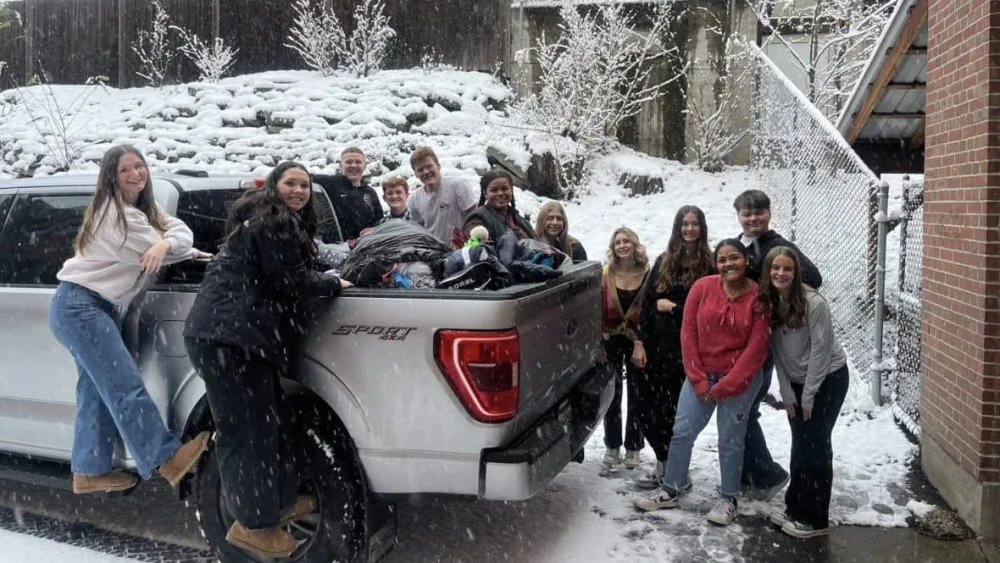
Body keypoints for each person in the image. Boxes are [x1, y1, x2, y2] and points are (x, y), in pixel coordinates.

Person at [183, 162, 352, 559]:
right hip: (229, 339)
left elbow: (286, 271)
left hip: (233, 337)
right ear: (274, 186)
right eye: (290, 183)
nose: (298, 190)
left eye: (305, 185)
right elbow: (290, 279)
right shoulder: (271, 218)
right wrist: (331, 282)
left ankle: (274, 504)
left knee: (271, 423)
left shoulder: (268, 223)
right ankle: (253, 526)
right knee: (248, 434)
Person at [48, 144, 211, 496]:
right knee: (124, 387)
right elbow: (172, 244)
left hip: (93, 307)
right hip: (80, 306)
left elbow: (178, 233)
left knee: (95, 391)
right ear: (111, 176)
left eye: (140, 166)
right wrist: (167, 246)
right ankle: (165, 458)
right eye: (125, 169)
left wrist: (166, 245)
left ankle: (89, 471)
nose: (136, 174)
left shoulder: (141, 211)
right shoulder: (116, 217)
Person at [634, 239, 770, 527]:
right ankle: (673, 487)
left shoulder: (758, 297)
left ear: (746, 260)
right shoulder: (703, 287)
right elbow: (688, 335)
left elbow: (756, 350)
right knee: (682, 432)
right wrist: (698, 380)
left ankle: (729, 497)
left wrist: (725, 386)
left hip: (740, 379)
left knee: (730, 439)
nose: (728, 264)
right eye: (722, 259)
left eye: (734, 258)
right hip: (701, 374)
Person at [733, 189, 822, 501]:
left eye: (759, 212)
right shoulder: (738, 244)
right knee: (740, 408)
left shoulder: (778, 245)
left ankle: (766, 474)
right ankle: (749, 472)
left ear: (769, 213)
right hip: (738, 340)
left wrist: (777, 303)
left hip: (763, 341)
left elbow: (812, 276)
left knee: (746, 408)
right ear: (738, 216)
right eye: (747, 213)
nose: (753, 218)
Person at [759, 247, 849, 539]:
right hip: (796, 380)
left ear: (796, 272)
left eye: (787, 269)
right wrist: (787, 391)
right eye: (775, 268)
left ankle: (815, 518)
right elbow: (778, 352)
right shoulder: (770, 301)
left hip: (827, 379)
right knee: (800, 443)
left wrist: (808, 394)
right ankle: (794, 508)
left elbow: (822, 351)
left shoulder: (814, 302)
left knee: (816, 446)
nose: (781, 274)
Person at [631, 206, 714, 489]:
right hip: (655, 345)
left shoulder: (711, 266)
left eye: (695, 224)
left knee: (675, 412)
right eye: (684, 224)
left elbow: (708, 312)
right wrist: (639, 341)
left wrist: (675, 308)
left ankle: (678, 470)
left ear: (702, 228)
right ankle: (663, 460)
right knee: (646, 407)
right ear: (677, 228)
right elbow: (647, 303)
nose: (689, 229)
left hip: (688, 349)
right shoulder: (664, 261)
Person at [600, 227, 650, 470]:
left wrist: (640, 342)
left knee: (638, 394)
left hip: (638, 342)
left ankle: (633, 447)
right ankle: (612, 445)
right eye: (618, 241)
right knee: (612, 394)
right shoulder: (606, 273)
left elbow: (649, 312)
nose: (622, 245)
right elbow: (598, 306)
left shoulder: (648, 274)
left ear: (634, 244)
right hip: (611, 340)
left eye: (626, 241)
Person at [406, 146, 479, 244]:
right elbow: (417, 231)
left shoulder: (458, 185)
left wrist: (471, 246)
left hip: (461, 248)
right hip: (434, 252)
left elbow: (475, 219)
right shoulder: (413, 199)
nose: (426, 172)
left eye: (429, 166)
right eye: (420, 170)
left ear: (438, 165)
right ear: (415, 174)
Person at [313, 147, 383, 242]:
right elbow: (300, 177)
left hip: (366, 248)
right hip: (336, 249)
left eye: (358, 162)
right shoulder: (329, 183)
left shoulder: (370, 192)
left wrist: (374, 230)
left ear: (364, 166)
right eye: (349, 162)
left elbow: (379, 222)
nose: (353, 165)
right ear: (340, 166)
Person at [464, 170, 536, 241]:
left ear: (511, 190)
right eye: (494, 190)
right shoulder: (478, 218)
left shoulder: (517, 218)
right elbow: (472, 241)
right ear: (485, 193)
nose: (500, 193)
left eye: (504, 189)